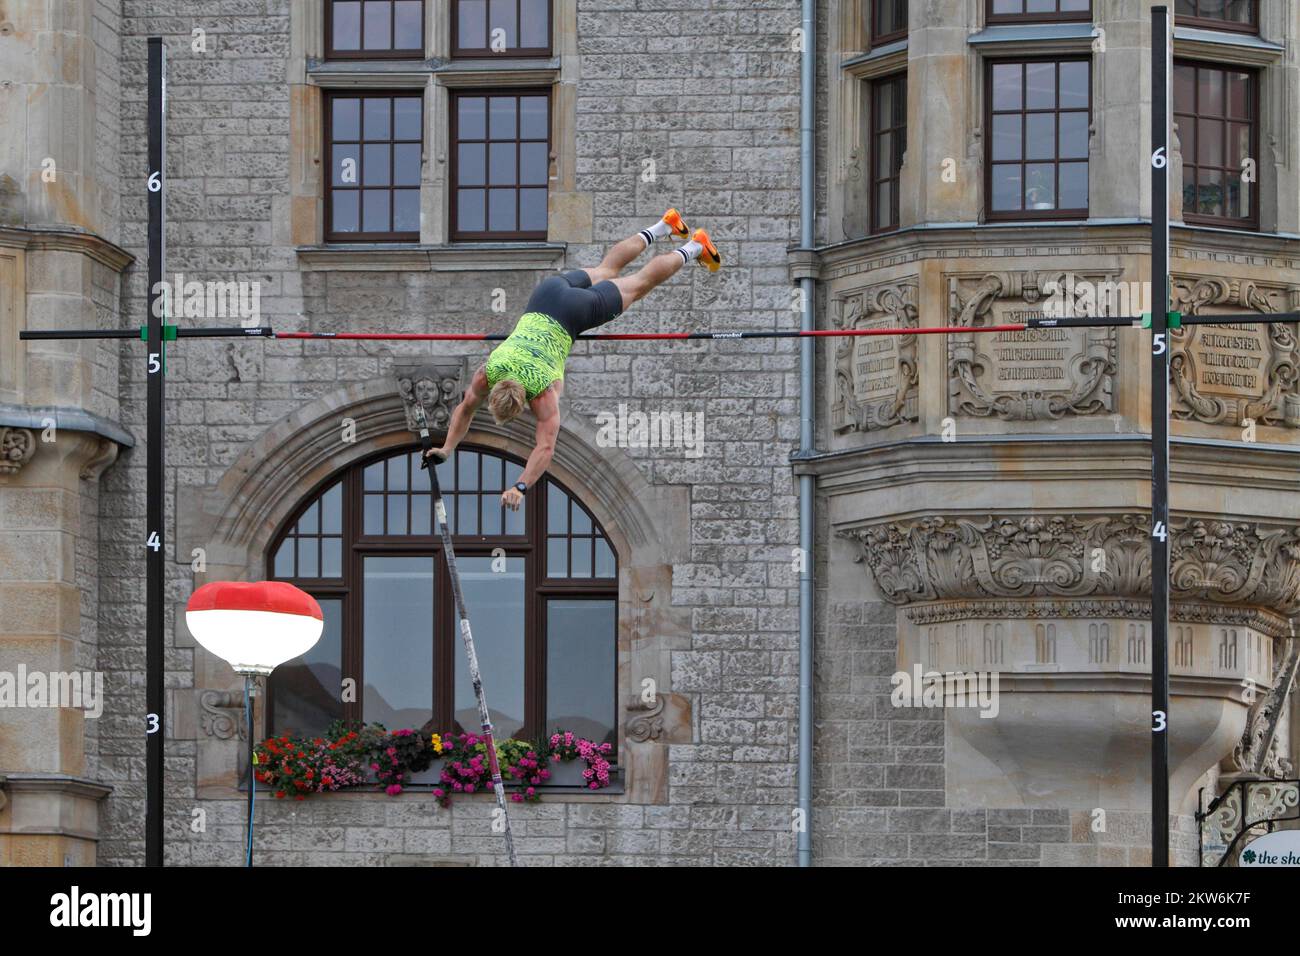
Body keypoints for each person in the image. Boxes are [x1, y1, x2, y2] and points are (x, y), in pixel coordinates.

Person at [424, 209, 721, 510]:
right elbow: (464, 409)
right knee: (607, 268)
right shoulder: (489, 371)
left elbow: (545, 447)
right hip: (547, 295)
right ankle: (664, 226)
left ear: (520, 403)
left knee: (640, 282)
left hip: (573, 314)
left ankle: (696, 245)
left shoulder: (541, 395)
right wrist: (446, 448)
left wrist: (520, 486)